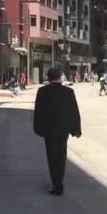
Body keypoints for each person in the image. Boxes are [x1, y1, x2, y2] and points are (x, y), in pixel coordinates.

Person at [33, 68, 81, 196]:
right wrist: (76, 129)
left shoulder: (42, 91)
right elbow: (74, 111)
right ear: (61, 77)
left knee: (51, 156)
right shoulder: (69, 92)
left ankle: (56, 183)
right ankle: (59, 181)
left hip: (49, 130)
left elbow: (38, 112)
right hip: (63, 130)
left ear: (48, 78)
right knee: (61, 155)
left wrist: (38, 129)